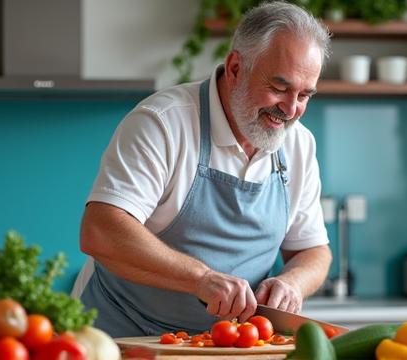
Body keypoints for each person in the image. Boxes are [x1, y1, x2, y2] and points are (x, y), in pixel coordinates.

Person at [72, 1, 333, 337]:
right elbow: (101, 230)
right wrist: (200, 279)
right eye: (279, 88)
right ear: (236, 67)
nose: (291, 110)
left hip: (220, 346)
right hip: (119, 337)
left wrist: (292, 283)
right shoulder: (164, 123)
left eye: (305, 95)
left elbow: (313, 250)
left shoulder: (299, 144)